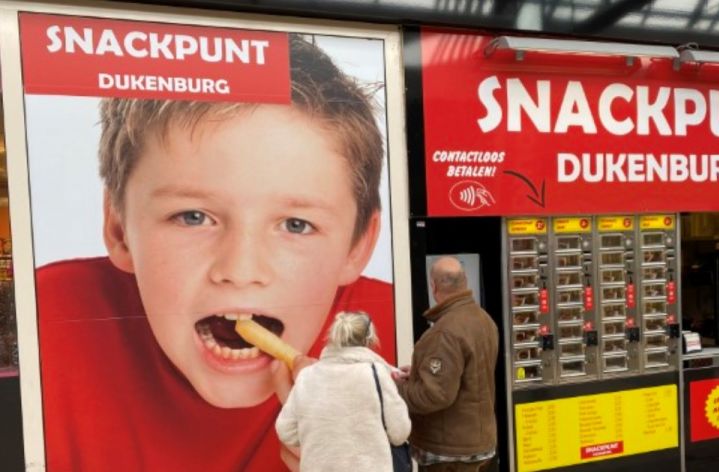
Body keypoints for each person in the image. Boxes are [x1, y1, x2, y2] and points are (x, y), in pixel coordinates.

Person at [36, 34, 394, 471]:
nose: (240, 271)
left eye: (296, 225)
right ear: (118, 228)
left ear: (357, 245)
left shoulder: (392, 343)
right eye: (192, 217)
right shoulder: (47, 326)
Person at [395, 256, 499, 471]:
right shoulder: (483, 319)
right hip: (478, 439)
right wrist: (418, 374)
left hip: (449, 450)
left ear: (433, 286)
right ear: (465, 281)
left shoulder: (445, 332)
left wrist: (396, 387)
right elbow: (469, 373)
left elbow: (435, 395)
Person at [276, 312, 410, 471]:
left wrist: (319, 439)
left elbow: (285, 430)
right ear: (369, 339)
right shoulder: (377, 373)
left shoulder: (307, 376)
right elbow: (399, 432)